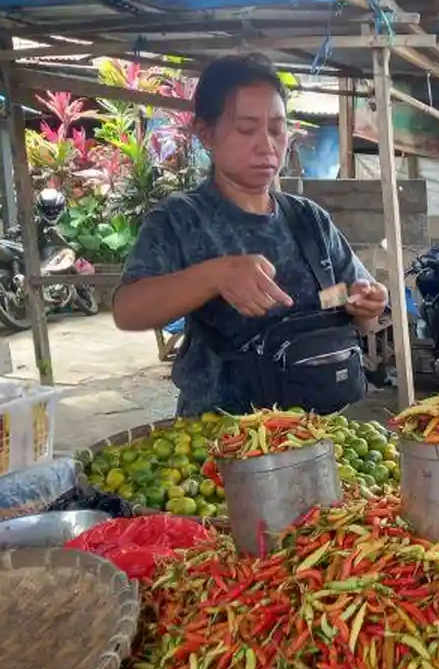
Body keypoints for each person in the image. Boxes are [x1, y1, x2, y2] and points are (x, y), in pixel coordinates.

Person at [113, 54, 388, 417]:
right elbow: (128, 311)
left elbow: (353, 313)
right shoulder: (181, 219)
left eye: (277, 128)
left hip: (319, 430)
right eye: (246, 129)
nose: (267, 144)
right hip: (221, 435)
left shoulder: (309, 219)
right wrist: (214, 276)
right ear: (206, 133)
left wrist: (367, 303)